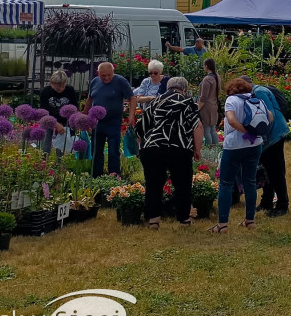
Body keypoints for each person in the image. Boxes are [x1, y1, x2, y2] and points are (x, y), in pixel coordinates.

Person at [137, 77, 202, 229]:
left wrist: (143, 144)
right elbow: (197, 127)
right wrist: (197, 149)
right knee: (182, 184)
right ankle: (184, 219)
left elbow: (141, 126)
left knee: (153, 184)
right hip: (179, 147)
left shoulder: (155, 101)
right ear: (184, 89)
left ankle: (153, 220)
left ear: (167, 87)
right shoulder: (188, 102)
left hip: (152, 147)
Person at [211, 78, 270, 233]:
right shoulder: (255, 99)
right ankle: (250, 220)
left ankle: (222, 224)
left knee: (226, 183)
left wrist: (245, 131)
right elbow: (269, 116)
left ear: (231, 90)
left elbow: (231, 120)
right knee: (250, 182)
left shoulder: (231, 100)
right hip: (254, 146)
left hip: (234, 146)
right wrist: (255, 133)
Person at [248, 75, 291, 217]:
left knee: (275, 171)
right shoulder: (256, 91)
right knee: (266, 170)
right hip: (270, 136)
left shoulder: (259, 92)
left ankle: (282, 205)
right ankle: (266, 202)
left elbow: (268, 116)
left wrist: (262, 138)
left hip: (273, 136)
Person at [85, 62, 137, 177]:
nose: (107, 78)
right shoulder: (94, 81)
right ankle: (96, 177)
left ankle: (114, 177)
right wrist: (84, 116)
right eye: (103, 76)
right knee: (96, 151)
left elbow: (132, 98)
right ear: (98, 74)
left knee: (113, 151)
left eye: (109, 75)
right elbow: (89, 99)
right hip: (97, 123)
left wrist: (131, 115)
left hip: (113, 122)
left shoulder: (120, 81)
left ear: (113, 72)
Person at [40, 70, 78, 156]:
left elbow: (74, 107)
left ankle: (60, 165)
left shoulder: (70, 90)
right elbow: (44, 112)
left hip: (65, 120)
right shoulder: (45, 92)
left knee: (62, 146)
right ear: (51, 83)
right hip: (48, 119)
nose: (60, 89)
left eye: (62, 86)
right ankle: (43, 164)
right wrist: (56, 124)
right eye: (57, 87)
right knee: (45, 145)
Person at [197, 58, 221, 146]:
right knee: (213, 128)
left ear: (206, 66)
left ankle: (208, 149)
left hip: (206, 107)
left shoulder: (207, 79)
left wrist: (198, 108)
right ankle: (215, 147)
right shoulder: (217, 76)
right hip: (214, 104)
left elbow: (203, 97)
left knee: (206, 129)